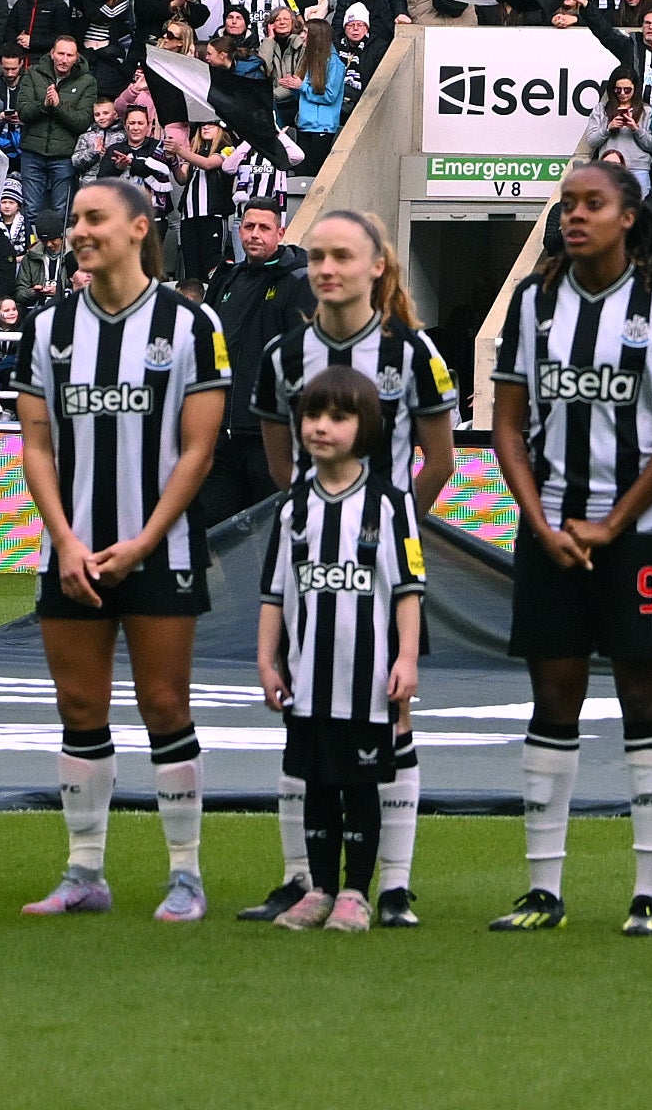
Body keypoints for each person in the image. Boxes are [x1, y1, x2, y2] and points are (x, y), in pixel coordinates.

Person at [482, 146, 652, 935]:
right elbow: (506, 423)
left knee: (646, 699)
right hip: (550, 535)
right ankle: (544, 889)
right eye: (567, 203)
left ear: (627, 218)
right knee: (553, 699)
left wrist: (613, 521)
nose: (574, 215)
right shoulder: (534, 304)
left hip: (640, 534)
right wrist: (541, 521)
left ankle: (649, 892)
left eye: (591, 203)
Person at [10, 169, 224, 921]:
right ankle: (83, 873)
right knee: (79, 706)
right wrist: (64, 540)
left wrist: (144, 541)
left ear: (140, 228)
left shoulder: (191, 327)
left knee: (165, 703)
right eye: (74, 218)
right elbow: (36, 444)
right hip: (71, 552)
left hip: (158, 550)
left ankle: (186, 876)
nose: (80, 229)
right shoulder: (48, 329)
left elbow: (198, 450)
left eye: (96, 217)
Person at [242, 200, 456, 923]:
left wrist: (387, 524)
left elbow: (440, 460)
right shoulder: (284, 357)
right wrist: (323, 517)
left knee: (391, 718)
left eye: (342, 257)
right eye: (319, 258)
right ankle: (302, 878)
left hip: (379, 562)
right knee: (303, 715)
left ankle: (389, 883)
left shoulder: (412, 354)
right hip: (309, 556)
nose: (327, 269)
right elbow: (280, 465)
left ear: (375, 267)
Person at [259, 363, 424, 933]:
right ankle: (321, 889)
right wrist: (266, 661)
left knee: (359, 787)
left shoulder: (389, 504)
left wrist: (405, 659)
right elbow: (274, 594)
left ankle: (357, 891)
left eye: (338, 416)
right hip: (308, 681)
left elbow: (407, 591)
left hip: (366, 682)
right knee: (317, 786)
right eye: (311, 414)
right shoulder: (292, 508)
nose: (320, 427)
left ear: (367, 427)